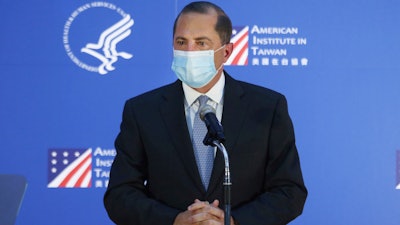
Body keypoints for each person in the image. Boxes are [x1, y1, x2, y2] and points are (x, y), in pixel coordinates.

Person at [104, 1, 307, 225]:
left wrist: (233, 221)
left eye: (201, 43)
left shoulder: (267, 108)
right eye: (181, 42)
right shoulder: (142, 111)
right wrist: (174, 221)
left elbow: (290, 191)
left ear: (226, 51)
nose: (189, 52)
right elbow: (119, 194)